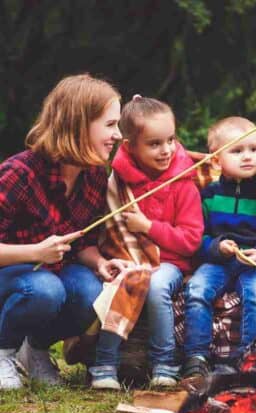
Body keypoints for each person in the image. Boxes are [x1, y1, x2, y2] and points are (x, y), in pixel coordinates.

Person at [0, 74, 129, 390]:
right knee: (45, 289)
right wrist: (34, 253)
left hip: (47, 276)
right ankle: (3, 350)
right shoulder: (19, 173)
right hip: (14, 278)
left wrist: (100, 264)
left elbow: (82, 240)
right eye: (110, 125)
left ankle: (35, 350)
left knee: (90, 291)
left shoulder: (95, 175)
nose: (118, 135)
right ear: (78, 123)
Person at [89, 96, 204, 389]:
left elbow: (191, 241)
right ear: (129, 147)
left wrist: (149, 227)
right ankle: (104, 364)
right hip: (128, 257)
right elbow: (110, 227)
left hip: (170, 263)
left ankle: (165, 362)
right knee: (125, 280)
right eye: (154, 143)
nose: (166, 150)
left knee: (154, 284)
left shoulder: (183, 182)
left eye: (170, 140)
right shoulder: (119, 181)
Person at [182, 116, 256, 378]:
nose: (247, 156)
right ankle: (196, 356)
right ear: (216, 160)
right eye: (237, 151)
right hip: (219, 260)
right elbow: (195, 236)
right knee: (197, 289)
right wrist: (216, 247)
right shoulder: (210, 195)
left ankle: (249, 362)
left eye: (253, 149)